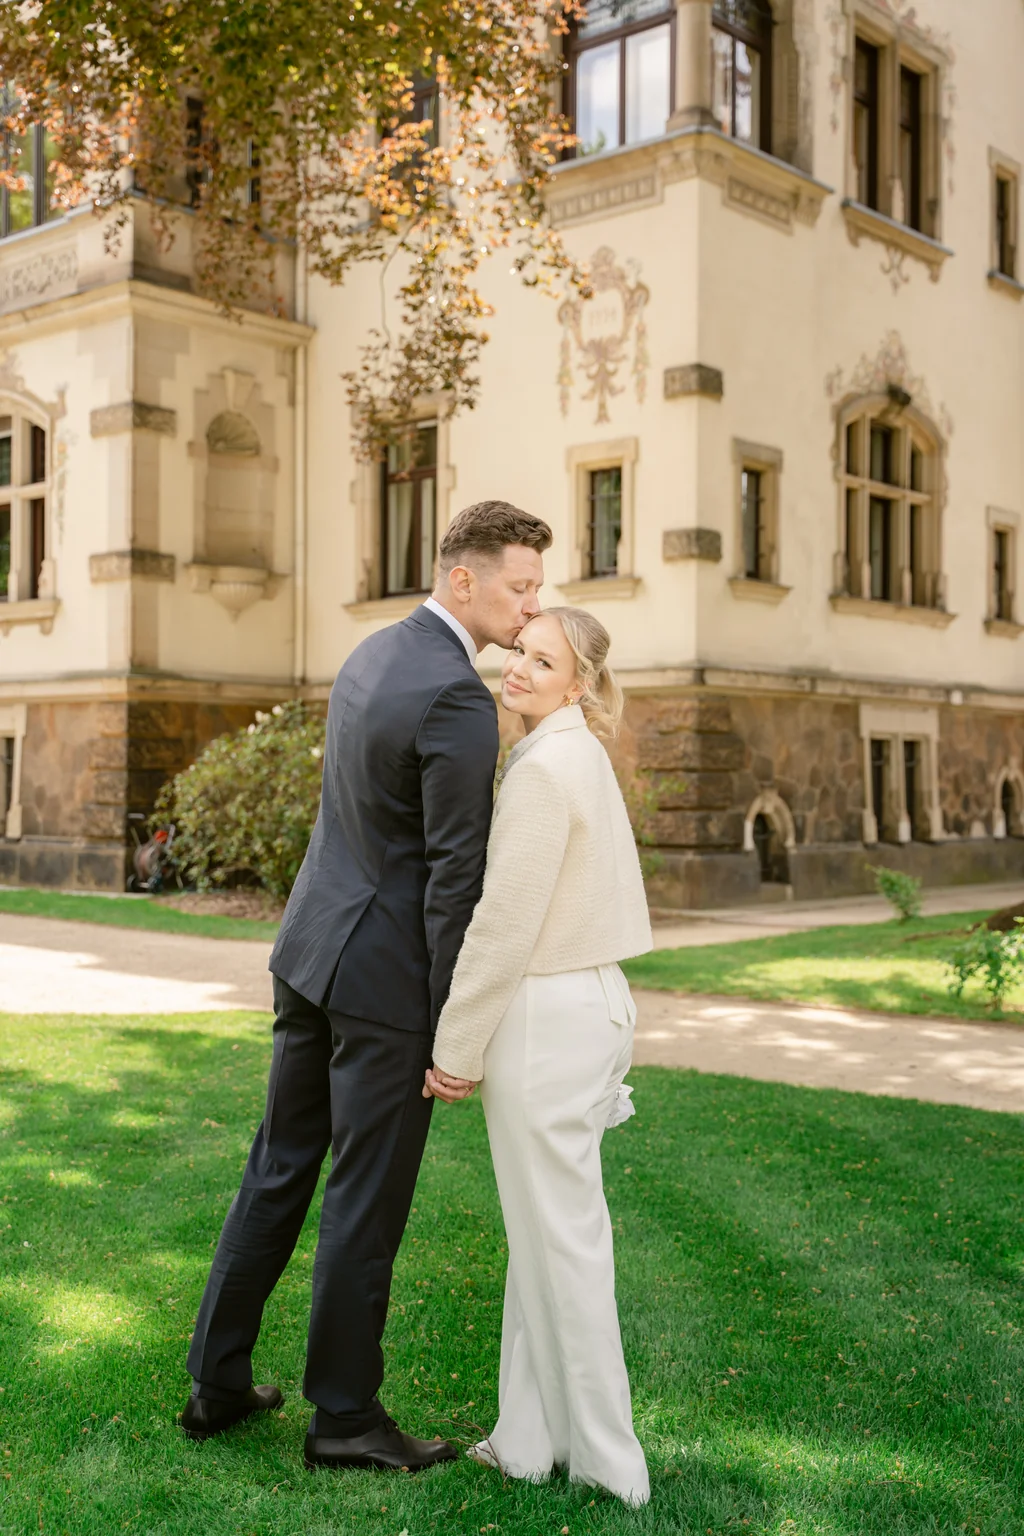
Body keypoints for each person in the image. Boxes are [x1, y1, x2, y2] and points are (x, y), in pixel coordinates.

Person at [180, 500, 552, 1473]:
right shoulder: (460, 699)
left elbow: (348, 821)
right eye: (520, 585)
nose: (531, 605)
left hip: (307, 955)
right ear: (463, 579)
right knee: (363, 1198)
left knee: (278, 1165)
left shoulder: (369, 657)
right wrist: (451, 1029)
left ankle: (217, 1384)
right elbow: (452, 880)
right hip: (382, 982)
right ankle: (343, 1418)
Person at [425, 606, 653, 1507]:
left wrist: (455, 1045)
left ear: (578, 684)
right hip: (585, 1006)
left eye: (542, 659)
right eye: (520, 649)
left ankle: (608, 1465)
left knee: (563, 1244)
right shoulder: (573, 753)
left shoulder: (546, 768)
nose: (517, 666)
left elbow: (502, 925)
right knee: (543, 1235)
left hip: (549, 1017)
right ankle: (525, 1439)